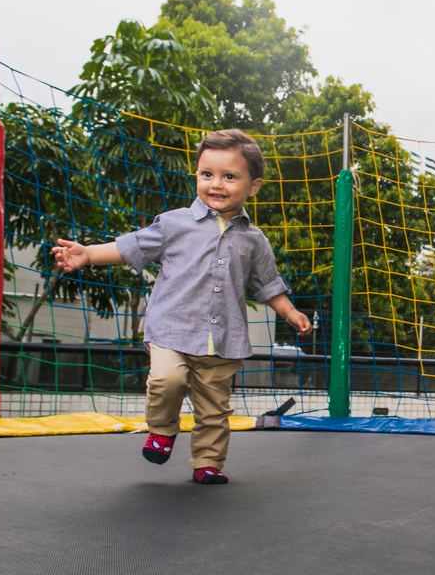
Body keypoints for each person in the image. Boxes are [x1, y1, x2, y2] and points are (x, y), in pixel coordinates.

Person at [52, 129, 312, 485]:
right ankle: (161, 430)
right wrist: (87, 254)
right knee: (166, 379)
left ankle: (207, 463)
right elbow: (129, 247)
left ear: (253, 186)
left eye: (229, 177)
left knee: (214, 409)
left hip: (221, 340)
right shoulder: (174, 224)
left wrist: (290, 312)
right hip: (172, 328)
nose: (216, 184)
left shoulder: (254, 239)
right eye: (207, 175)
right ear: (197, 176)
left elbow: (267, 285)